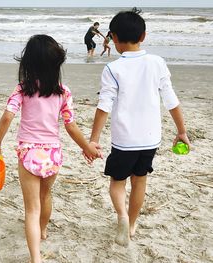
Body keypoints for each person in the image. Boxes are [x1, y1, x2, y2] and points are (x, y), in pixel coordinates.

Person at [0, 34, 101, 263]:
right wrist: (86, 146)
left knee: (31, 208)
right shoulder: (63, 92)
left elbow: (7, 117)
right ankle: (44, 230)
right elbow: (70, 125)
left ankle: (36, 258)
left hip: (29, 152)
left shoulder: (22, 89)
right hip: (52, 154)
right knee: (46, 194)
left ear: (27, 63)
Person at [89, 8, 191, 247]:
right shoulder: (157, 63)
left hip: (124, 139)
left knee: (117, 182)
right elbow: (171, 101)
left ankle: (122, 216)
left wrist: (94, 139)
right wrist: (182, 131)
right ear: (143, 36)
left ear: (113, 38)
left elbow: (104, 106)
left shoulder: (113, 69)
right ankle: (132, 224)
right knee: (140, 181)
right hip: (150, 139)